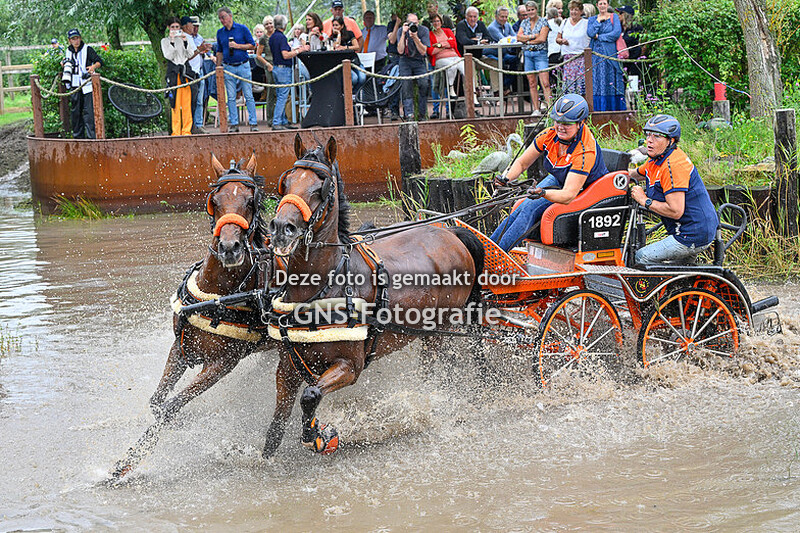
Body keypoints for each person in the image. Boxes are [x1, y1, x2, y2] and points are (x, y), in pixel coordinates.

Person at [490, 94, 609, 251]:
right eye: (557, 121)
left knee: (530, 208)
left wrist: (543, 193)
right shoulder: (549, 135)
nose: (560, 127)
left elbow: (568, 195)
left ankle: (498, 253)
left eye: (567, 123)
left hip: (585, 191)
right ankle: (489, 246)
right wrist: (506, 178)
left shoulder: (585, 151)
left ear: (581, 123)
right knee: (522, 205)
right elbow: (522, 162)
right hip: (560, 180)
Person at [630, 115, 718, 264]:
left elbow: (676, 211)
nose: (649, 140)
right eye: (648, 134)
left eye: (657, 136)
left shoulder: (673, 165)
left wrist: (644, 200)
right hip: (687, 231)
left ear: (670, 141)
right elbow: (633, 174)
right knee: (679, 275)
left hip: (691, 235)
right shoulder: (656, 161)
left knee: (641, 257)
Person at [216, 6, 259, 132]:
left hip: (243, 65)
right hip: (228, 67)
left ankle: (253, 123)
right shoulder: (220, 33)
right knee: (230, 97)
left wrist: (237, 46)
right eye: (220, 18)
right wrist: (218, 67)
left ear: (230, 16)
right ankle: (234, 124)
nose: (222, 20)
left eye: (223, 17)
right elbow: (219, 51)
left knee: (248, 95)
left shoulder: (242, 29)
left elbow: (252, 45)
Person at [270, 14, 308, 131]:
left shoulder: (272, 37)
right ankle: (276, 122)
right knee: (283, 96)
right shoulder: (281, 37)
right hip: (283, 69)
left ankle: (283, 120)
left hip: (276, 67)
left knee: (280, 95)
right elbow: (285, 55)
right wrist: (299, 50)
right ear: (284, 25)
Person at [162, 17, 198, 136]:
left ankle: (186, 130)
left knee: (187, 103)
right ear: (168, 28)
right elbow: (169, 55)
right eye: (173, 27)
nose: (175, 29)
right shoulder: (165, 41)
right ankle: (176, 131)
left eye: (177, 27)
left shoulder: (185, 38)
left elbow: (190, 54)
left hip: (185, 72)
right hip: (173, 72)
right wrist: (172, 41)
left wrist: (185, 41)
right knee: (175, 103)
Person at [64, 28, 102, 139]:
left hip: (87, 85)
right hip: (75, 85)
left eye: (77, 38)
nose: (76, 41)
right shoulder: (68, 51)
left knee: (89, 112)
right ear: (69, 40)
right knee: (76, 112)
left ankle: (92, 137)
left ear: (80, 38)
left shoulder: (87, 49)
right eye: (73, 39)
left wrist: (93, 67)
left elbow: (99, 61)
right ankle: (78, 137)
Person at [587, 0, 625, 110]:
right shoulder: (592, 19)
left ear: (608, 5)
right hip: (596, 56)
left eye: (604, 3)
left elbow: (616, 33)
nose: (603, 6)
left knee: (612, 79)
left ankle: (615, 107)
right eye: (600, 4)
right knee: (598, 80)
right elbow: (590, 33)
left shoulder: (614, 17)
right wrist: (598, 22)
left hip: (610, 54)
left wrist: (599, 37)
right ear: (597, 5)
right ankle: (599, 108)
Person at [517, 1, 550, 116]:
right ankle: (536, 109)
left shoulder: (543, 21)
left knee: (545, 82)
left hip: (540, 53)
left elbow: (542, 38)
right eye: (528, 10)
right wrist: (532, 36)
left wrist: (527, 41)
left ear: (536, 10)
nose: (530, 12)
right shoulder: (524, 22)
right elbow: (518, 37)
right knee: (532, 82)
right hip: (528, 54)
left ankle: (549, 108)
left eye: (532, 10)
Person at [396, 13, 431, 121]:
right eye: (411, 23)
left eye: (415, 23)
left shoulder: (423, 30)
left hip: (419, 60)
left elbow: (423, 51)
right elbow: (400, 51)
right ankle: (409, 114)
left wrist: (415, 37)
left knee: (424, 83)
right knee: (406, 85)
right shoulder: (401, 31)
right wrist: (403, 34)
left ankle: (422, 113)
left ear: (418, 22)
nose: (413, 25)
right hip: (405, 60)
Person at [557, 0, 589, 95]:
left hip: (582, 58)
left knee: (581, 85)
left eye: (576, 10)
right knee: (569, 85)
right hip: (568, 58)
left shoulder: (586, 23)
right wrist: (562, 41)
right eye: (571, 9)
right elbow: (557, 38)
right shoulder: (564, 22)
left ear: (581, 11)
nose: (573, 12)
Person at [427, 13, 463, 99]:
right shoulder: (430, 34)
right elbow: (431, 51)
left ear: (441, 22)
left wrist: (439, 45)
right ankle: (451, 88)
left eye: (438, 21)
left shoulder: (448, 31)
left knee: (466, 67)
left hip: (455, 56)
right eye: (434, 21)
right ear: (431, 23)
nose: (436, 23)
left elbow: (453, 43)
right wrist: (446, 44)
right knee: (452, 66)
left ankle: (473, 94)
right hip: (440, 59)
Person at [186, 16, 212, 133]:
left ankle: (199, 124)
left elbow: (204, 51)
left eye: (197, 26)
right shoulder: (185, 38)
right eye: (193, 26)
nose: (195, 28)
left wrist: (206, 52)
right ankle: (189, 124)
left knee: (200, 99)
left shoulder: (199, 38)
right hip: (189, 72)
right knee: (189, 99)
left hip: (199, 70)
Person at [485, 6, 517, 96]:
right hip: (492, 53)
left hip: (504, 52)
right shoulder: (492, 27)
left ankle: (506, 85)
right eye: (502, 17)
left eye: (506, 17)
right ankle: (500, 89)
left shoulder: (507, 25)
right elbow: (503, 40)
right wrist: (512, 39)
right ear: (496, 16)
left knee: (515, 60)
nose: (504, 19)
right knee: (501, 62)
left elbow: (515, 37)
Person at [332, 16, 367, 93]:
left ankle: (354, 94)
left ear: (342, 26)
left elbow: (357, 47)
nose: (335, 27)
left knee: (362, 78)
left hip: (354, 61)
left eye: (337, 25)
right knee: (354, 78)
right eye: (333, 25)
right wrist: (338, 34)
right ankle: (349, 96)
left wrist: (345, 47)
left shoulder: (350, 34)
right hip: (342, 63)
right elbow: (336, 47)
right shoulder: (333, 37)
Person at [255, 16, 277, 123]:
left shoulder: (278, 35)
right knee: (271, 91)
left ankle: (280, 117)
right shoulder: (263, 38)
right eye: (266, 24)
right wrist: (267, 64)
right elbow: (258, 55)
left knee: (281, 92)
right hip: (269, 65)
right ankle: (270, 118)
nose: (269, 26)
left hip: (280, 65)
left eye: (270, 23)